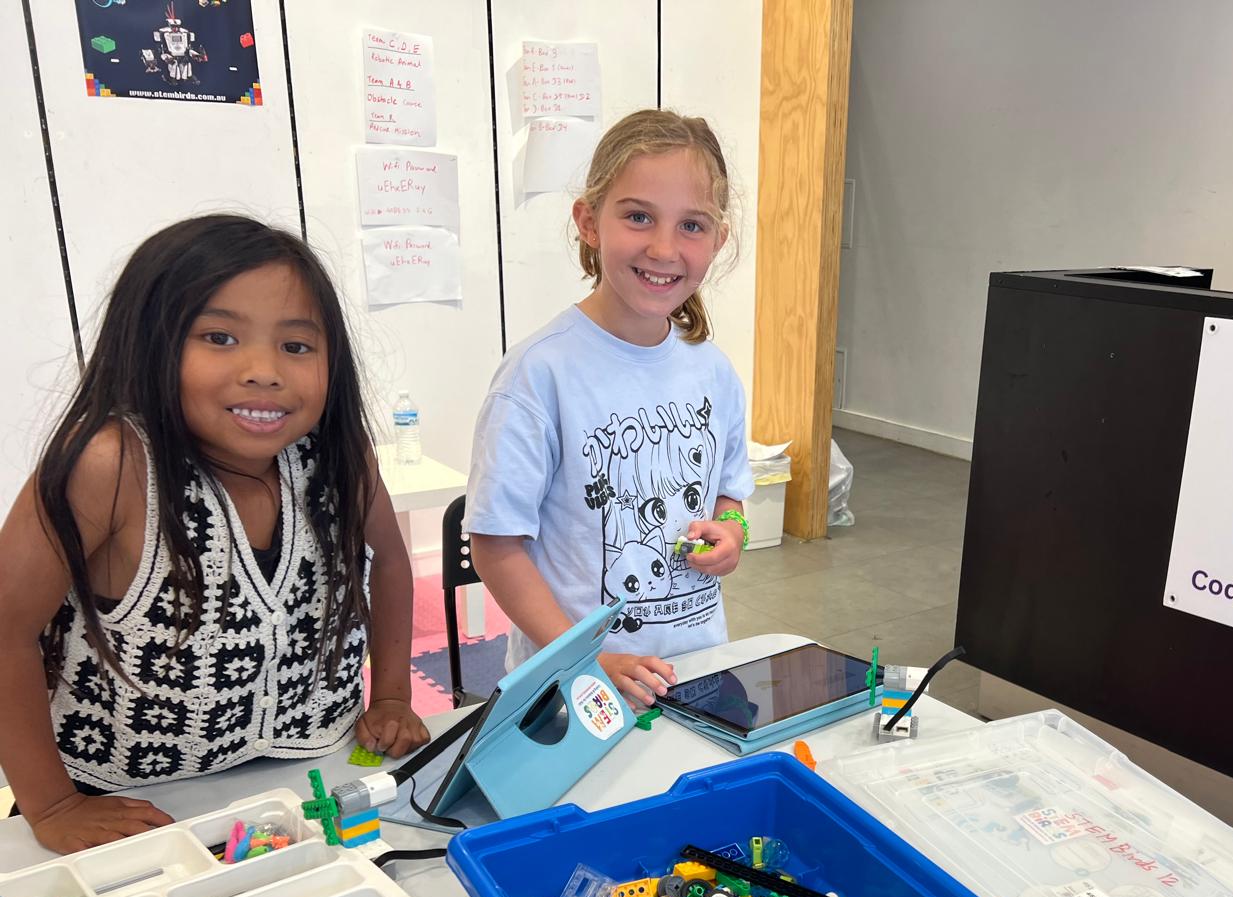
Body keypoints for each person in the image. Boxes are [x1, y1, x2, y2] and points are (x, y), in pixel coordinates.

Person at [0, 215, 429, 853]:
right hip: (138, 800)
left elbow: (389, 562)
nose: (264, 371)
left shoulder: (338, 452)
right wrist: (53, 804)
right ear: (149, 345)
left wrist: (392, 692)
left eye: (297, 346)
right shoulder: (110, 464)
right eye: (219, 337)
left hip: (314, 770)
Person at [467, 109, 754, 709]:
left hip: (695, 670)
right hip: (572, 683)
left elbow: (730, 496)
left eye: (692, 225)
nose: (664, 247)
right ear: (589, 222)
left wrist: (731, 532)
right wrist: (583, 657)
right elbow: (496, 545)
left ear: (718, 241)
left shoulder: (714, 372)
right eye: (638, 216)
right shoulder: (538, 375)